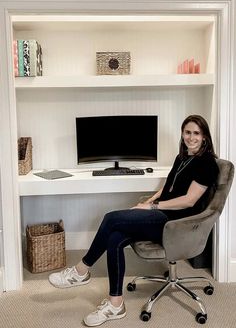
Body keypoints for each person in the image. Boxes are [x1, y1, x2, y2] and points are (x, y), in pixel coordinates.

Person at [49, 114, 219, 327]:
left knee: (111, 219)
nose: (191, 137)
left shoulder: (207, 163)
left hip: (176, 225)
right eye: (187, 132)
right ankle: (116, 305)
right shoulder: (183, 157)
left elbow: (188, 200)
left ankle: (81, 270)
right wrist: (152, 199)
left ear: (204, 137)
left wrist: (151, 207)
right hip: (162, 216)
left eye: (196, 133)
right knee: (115, 238)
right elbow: (169, 187)